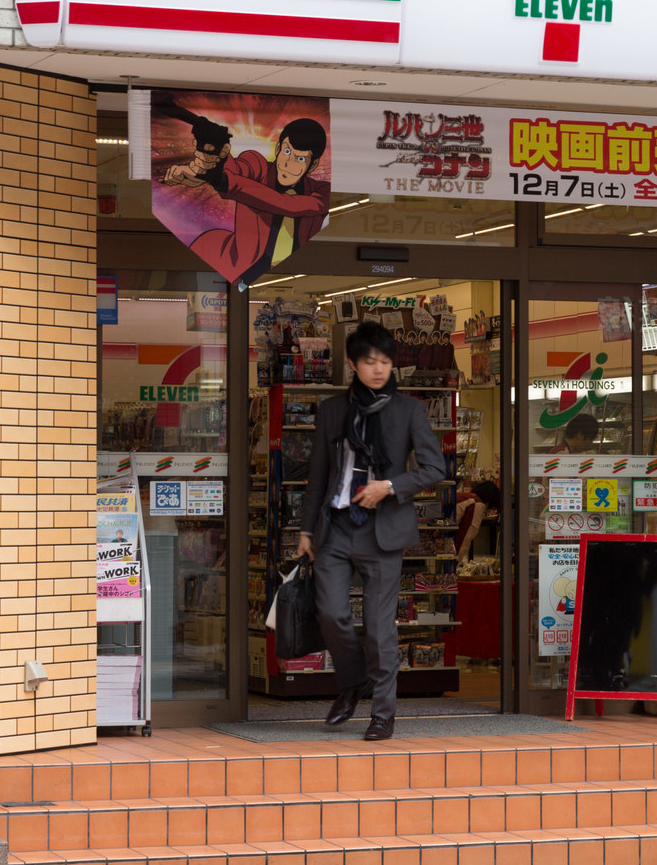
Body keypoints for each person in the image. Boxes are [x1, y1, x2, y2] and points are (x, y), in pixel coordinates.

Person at [297, 321, 447, 741]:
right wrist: (306, 529)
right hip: (336, 527)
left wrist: (391, 486)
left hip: (384, 532)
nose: (379, 369)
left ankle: (384, 713)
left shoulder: (409, 410)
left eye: (385, 361)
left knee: (381, 630)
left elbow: (436, 468)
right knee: (331, 613)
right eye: (369, 362)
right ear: (352, 364)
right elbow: (317, 476)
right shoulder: (332, 411)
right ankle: (353, 680)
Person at [159, 111, 331, 287]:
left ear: (313, 165)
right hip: (237, 269)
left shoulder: (321, 192)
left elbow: (290, 205)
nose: (288, 163)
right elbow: (236, 169)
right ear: (278, 149)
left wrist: (223, 180)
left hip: (289, 279)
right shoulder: (257, 165)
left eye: (300, 158)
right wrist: (212, 159)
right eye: (287, 151)